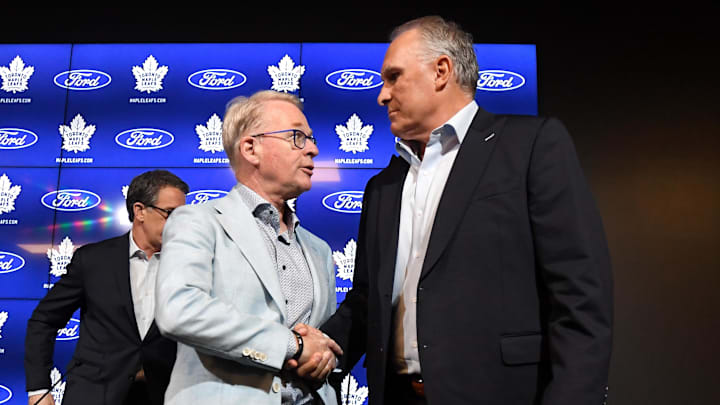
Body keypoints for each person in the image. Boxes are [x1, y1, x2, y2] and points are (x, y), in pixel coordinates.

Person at [319, 16, 614, 405]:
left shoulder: (531, 146)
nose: (382, 95)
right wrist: (314, 348)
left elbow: (580, 296)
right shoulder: (382, 187)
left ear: (441, 71)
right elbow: (366, 302)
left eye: (393, 77)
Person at [153, 90, 341, 405]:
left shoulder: (318, 249)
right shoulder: (198, 221)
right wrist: (291, 345)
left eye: (311, 138)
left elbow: (321, 343)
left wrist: (323, 358)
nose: (313, 149)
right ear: (251, 148)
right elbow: (180, 311)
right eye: (297, 137)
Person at [24, 170, 189, 405]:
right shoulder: (93, 261)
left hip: (165, 395)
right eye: (170, 213)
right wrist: (39, 388)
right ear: (140, 211)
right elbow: (43, 321)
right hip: (95, 394)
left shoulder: (192, 264)